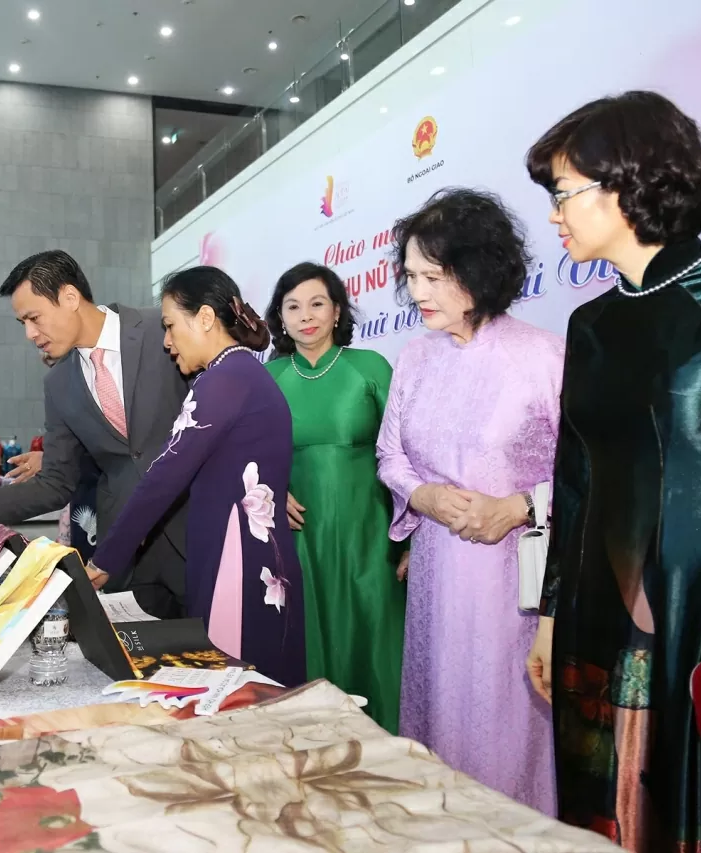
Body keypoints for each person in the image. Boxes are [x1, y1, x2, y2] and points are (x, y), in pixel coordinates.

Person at [523, 92, 701, 851]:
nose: (554, 214)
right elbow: (573, 481)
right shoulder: (587, 324)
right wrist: (552, 614)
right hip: (599, 617)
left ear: (627, 182)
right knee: (608, 810)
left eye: (564, 192)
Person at [375, 188, 562, 814]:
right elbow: (390, 456)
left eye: (435, 276)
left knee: (504, 732)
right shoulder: (415, 357)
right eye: (411, 277)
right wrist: (422, 494)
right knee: (438, 722)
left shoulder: (543, 357)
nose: (420, 292)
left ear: (479, 272)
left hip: (513, 588)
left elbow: (588, 475)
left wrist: (518, 506)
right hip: (434, 579)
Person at [84, 267, 306, 686]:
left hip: (236, 563)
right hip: (249, 556)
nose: (167, 342)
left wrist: (104, 560)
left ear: (205, 318)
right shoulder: (244, 375)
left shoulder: (223, 381)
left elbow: (163, 476)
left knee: (232, 691)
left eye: (170, 326)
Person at [0, 250, 190, 618]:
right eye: (22, 323)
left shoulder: (162, 329)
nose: (29, 334)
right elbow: (57, 481)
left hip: (197, 531)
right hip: (124, 553)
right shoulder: (59, 383)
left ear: (70, 298)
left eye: (34, 317)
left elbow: (229, 400)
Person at [263, 262, 405, 733]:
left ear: (337, 309)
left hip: (370, 532)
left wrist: (410, 539)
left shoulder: (369, 367)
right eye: (293, 306)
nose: (307, 316)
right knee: (309, 637)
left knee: (374, 635)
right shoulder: (272, 375)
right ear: (279, 317)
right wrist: (272, 486)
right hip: (299, 537)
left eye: (317, 303)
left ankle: (390, 747)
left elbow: (405, 453)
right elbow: (247, 452)